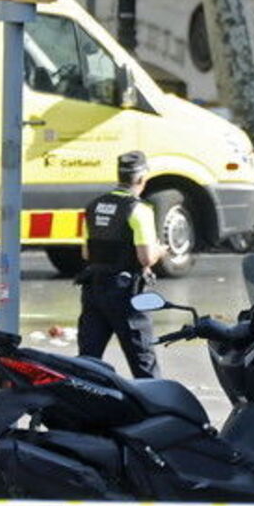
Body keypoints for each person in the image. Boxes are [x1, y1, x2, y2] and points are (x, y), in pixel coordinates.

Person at [76, 151, 162, 379]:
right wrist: (160, 251)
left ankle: (81, 410)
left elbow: (87, 252)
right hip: (126, 294)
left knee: (88, 361)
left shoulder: (93, 206)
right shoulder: (139, 210)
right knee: (143, 361)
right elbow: (145, 258)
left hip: (94, 289)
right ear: (142, 179)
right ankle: (157, 411)